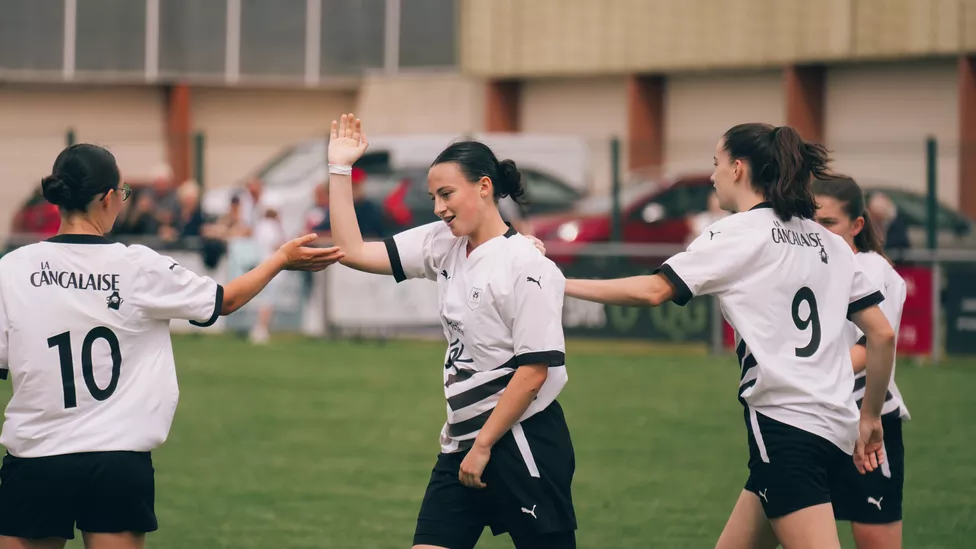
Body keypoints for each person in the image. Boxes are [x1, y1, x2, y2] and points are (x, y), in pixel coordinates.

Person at [559, 124, 897, 549]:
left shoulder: (737, 232)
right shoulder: (828, 241)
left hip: (786, 428)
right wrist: (869, 417)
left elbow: (654, 290)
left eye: (716, 164)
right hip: (833, 427)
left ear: (738, 169)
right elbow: (882, 335)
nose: (714, 174)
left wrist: (562, 283)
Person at [0, 144, 344, 549]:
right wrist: (280, 259)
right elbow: (224, 301)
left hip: (37, 458)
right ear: (109, 198)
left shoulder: (12, 268)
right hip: (118, 461)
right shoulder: (138, 265)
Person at [327, 114, 577, 549]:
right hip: (461, 441)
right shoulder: (443, 243)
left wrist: (484, 446)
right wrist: (339, 168)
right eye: (433, 197)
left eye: (446, 194)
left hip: (522, 440)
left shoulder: (526, 264)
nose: (438, 207)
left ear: (483, 187)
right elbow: (351, 252)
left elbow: (533, 371)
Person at [813, 177, 910, 549]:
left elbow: (873, 346)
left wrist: (806, 371)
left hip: (867, 426)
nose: (818, 232)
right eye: (812, 221)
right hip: (810, 423)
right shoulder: (805, 268)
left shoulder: (873, 270)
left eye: (829, 223)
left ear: (857, 226)